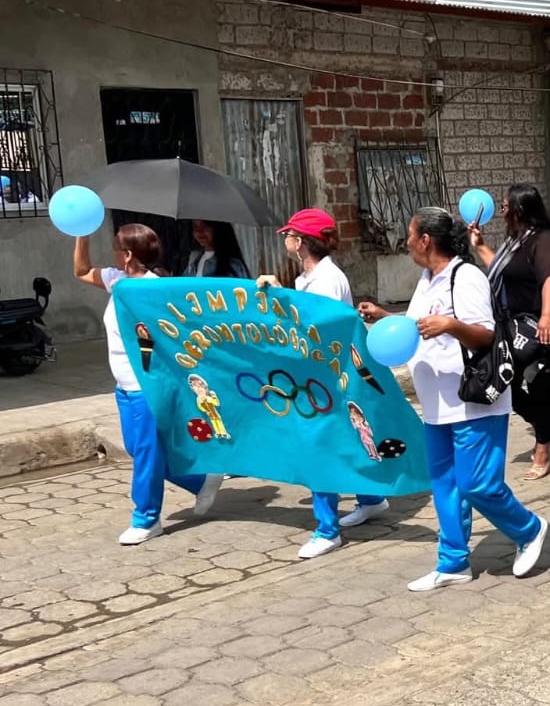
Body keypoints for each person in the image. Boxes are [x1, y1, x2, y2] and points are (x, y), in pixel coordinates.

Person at [356, 209, 550, 591]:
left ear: (425, 240)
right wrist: (384, 316)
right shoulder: (427, 280)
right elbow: (419, 327)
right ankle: (453, 562)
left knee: (477, 484)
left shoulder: (466, 276)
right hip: (436, 404)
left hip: (471, 401)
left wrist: (451, 325)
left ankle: (528, 529)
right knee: (445, 485)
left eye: (410, 234)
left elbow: (486, 335)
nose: (406, 242)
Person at [73, 226, 223, 545]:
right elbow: (82, 271)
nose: (112, 253)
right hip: (124, 386)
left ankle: (146, 518)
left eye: (116, 248)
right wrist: (81, 235)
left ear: (127, 255)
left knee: (145, 452)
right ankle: (200, 480)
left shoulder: (155, 289)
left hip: (147, 386)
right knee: (136, 447)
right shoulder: (117, 280)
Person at [255, 208, 388, 559]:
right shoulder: (309, 277)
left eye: (289, 235)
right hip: (319, 376)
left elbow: (316, 330)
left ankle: (327, 530)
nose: (285, 240)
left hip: (323, 379)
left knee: (317, 449)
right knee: (343, 440)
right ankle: (371, 498)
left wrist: (282, 300)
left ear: (301, 242)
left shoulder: (326, 279)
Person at [469, 184, 550, 479]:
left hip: (543, 326)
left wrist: (547, 316)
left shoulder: (545, 240)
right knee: (504, 383)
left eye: (505, 207)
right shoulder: (515, 241)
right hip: (513, 326)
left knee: (540, 386)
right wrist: (479, 245)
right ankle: (544, 423)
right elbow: (501, 270)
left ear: (518, 210)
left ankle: (543, 450)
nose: (502, 213)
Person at [184, 219, 250, 278]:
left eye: (205, 226)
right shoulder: (193, 261)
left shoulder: (233, 265)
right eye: (195, 227)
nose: (199, 232)